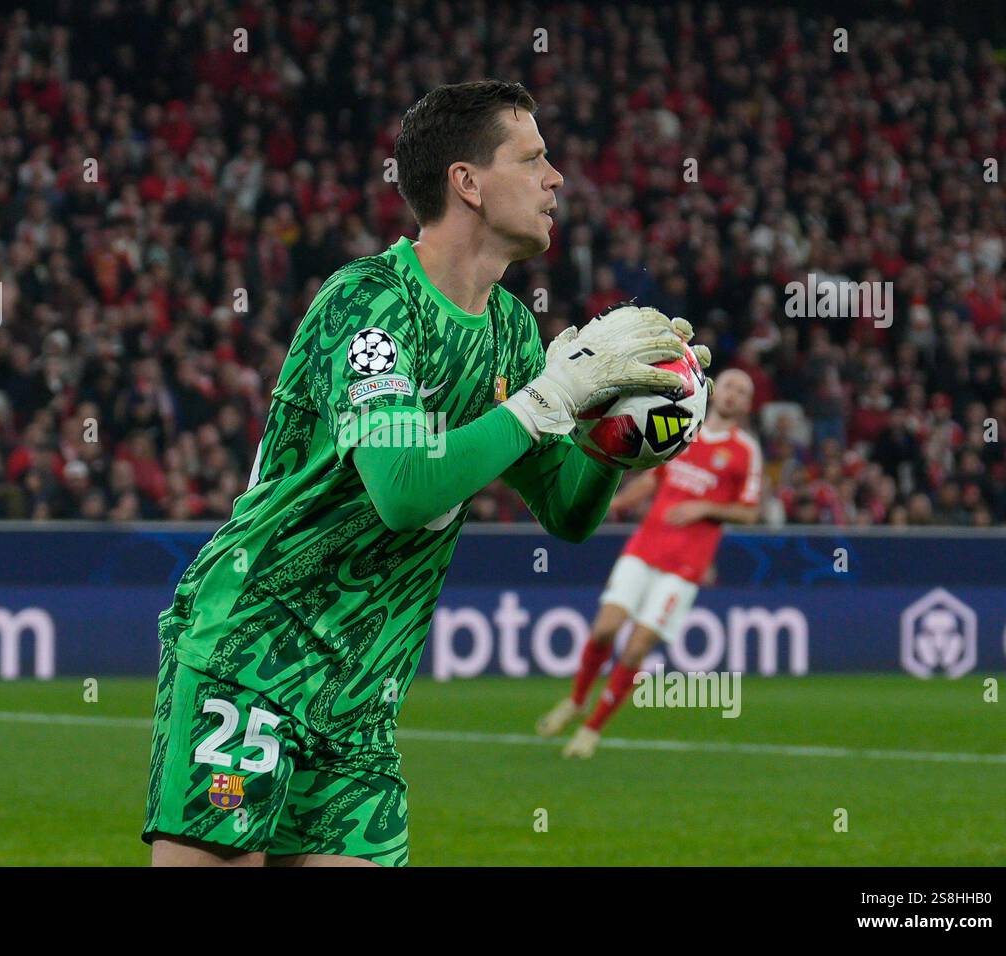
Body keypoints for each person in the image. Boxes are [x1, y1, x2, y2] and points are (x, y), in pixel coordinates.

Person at [143, 79, 709, 866]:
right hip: (254, 655)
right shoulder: (372, 304)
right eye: (534, 158)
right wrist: (550, 398)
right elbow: (404, 491)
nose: (557, 179)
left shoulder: (513, 331)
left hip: (363, 697)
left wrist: (616, 436)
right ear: (466, 183)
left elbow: (569, 515)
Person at [536, 369, 760, 758]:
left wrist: (704, 507)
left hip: (686, 566)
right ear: (714, 389)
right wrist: (617, 503)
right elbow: (655, 480)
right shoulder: (682, 429)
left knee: (636, 649)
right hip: (644, 548)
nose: (733, 394)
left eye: (743, 391)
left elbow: (750, 513)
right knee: (605, 629)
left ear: (746, 405)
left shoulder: (745, 451)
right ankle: (576, 700)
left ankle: (591, 730)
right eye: (729, 386)